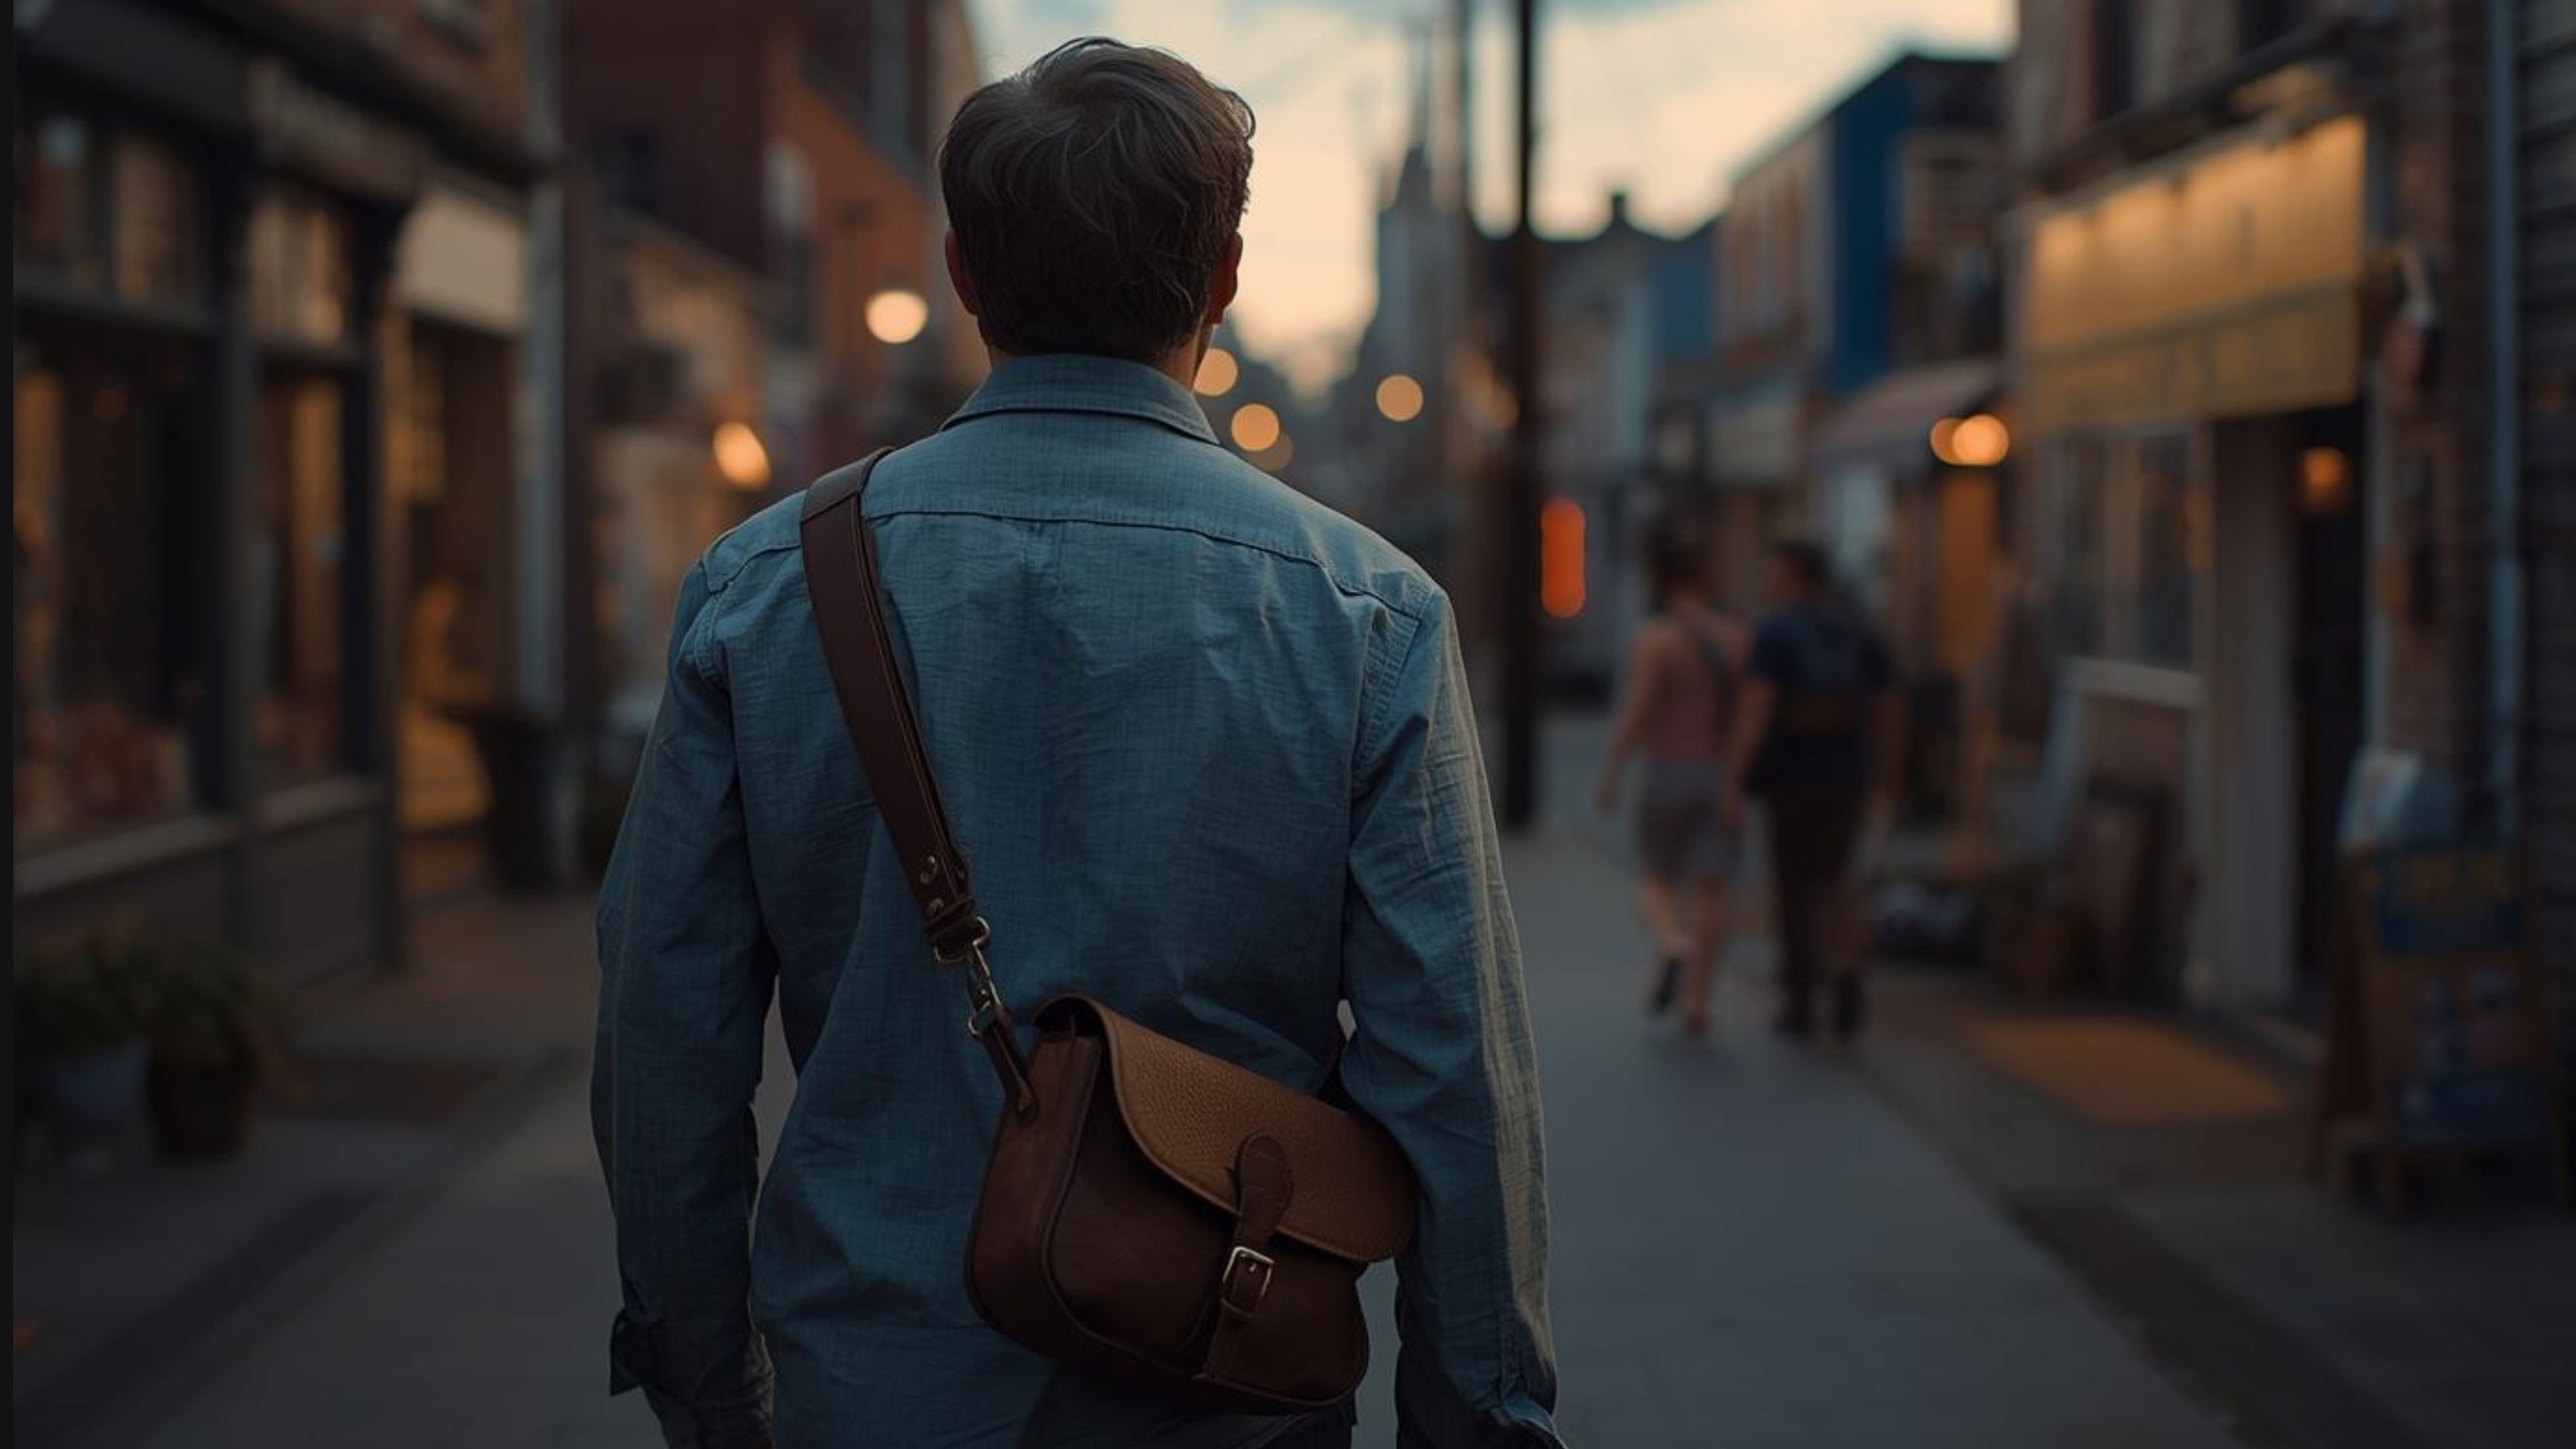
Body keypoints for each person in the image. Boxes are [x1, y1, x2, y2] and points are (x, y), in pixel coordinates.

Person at [593, 38, 1562, 1449]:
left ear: (962, 272)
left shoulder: (763, 590)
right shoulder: (1369, 613)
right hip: (1225, 1379)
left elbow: (662, 1048)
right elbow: (1454, 1078)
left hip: (876, 1388)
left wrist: (706, 1388)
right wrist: (1478, 1418)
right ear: (1223, 282)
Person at [1725, 540, 1900, 1040]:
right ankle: (1846, 970)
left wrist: (1733, 778)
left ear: (1794, 576)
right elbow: (1889, 704)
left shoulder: (1776, 630)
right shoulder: (1856, 627)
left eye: (1773, 572)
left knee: (1794, 886)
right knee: (1840, 880)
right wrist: (1888, 774)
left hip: (1792, 778)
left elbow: (1757, 707)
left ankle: (1800, 997)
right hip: (1849, 773)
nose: (1767, 581)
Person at [1595, 535, 1746, 1036]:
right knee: (1712, 887)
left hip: (1668, 771)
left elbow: (1637, 713)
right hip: (1720, 772)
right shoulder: (1733, 638)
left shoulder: (1656, 639)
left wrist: (1613, 773)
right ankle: (1698, 1002)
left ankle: (1672, 942)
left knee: (1656, 876)